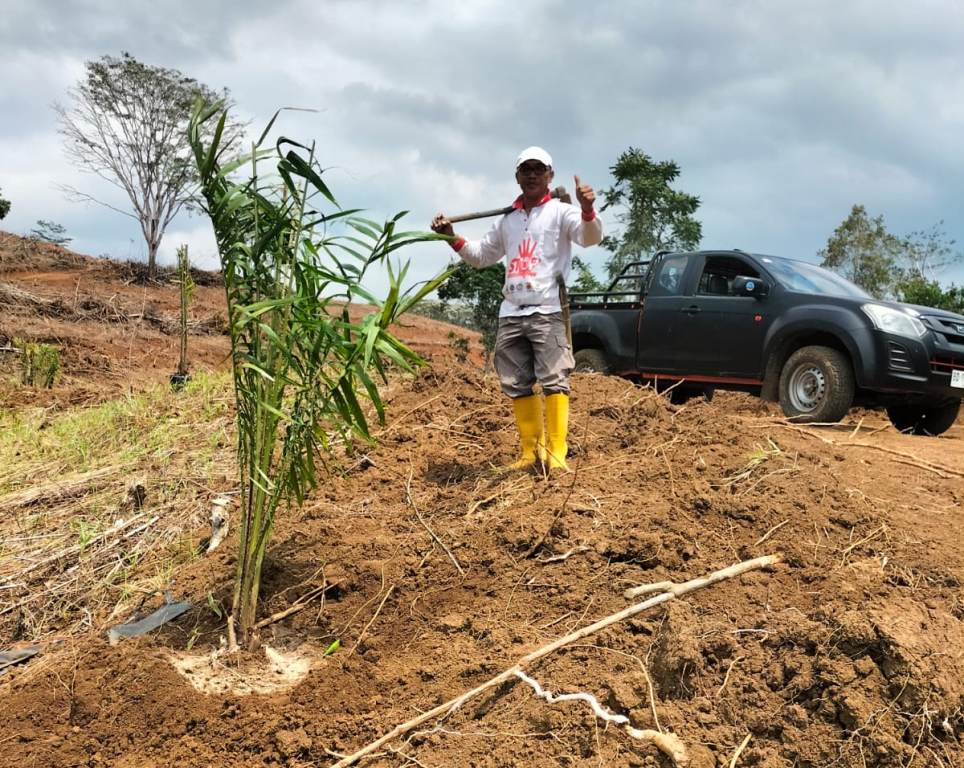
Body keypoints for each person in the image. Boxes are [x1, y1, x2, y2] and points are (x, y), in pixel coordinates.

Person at [431, 146, 603, 472]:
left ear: (550, 176)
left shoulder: (561, 213)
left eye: (539, 169)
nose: (533, 174)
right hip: (512, 312)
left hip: (548, 308)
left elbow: (589, 238)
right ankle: (529, 453)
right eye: (527, 169)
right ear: (518, 177)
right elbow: (482, 256)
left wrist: (587, 209)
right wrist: (451, 237)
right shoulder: (507, 220)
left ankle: (556, 452)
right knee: (516, 382)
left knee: (554, 380)